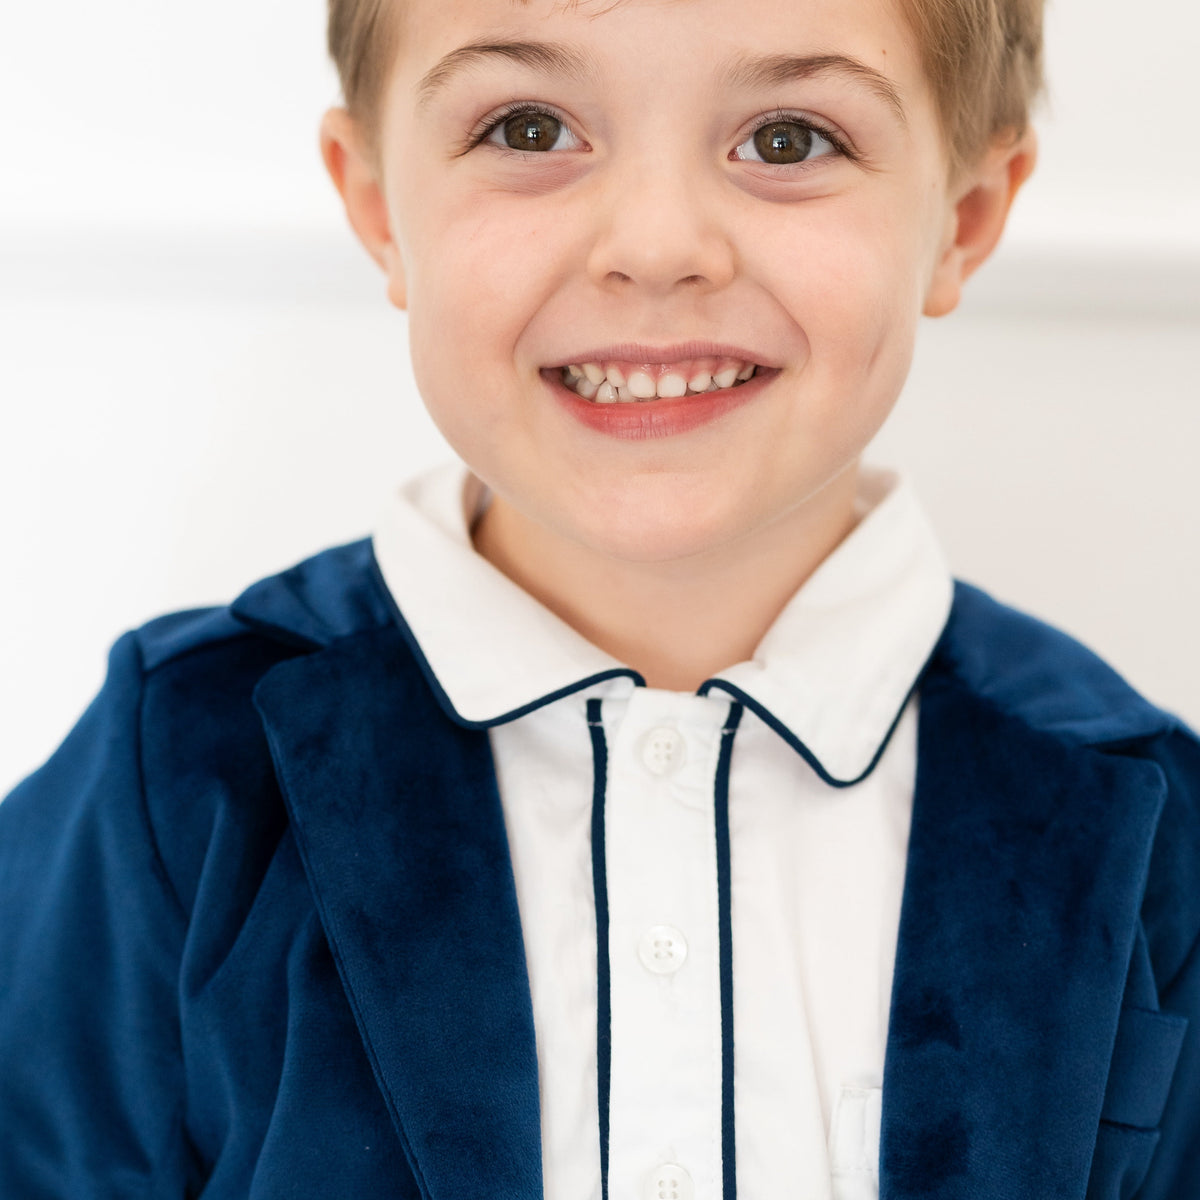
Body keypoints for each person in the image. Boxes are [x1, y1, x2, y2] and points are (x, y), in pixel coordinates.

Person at [1, 0, 1197, 1195]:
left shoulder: (1145, 829)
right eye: (528, 127)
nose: (658, 243)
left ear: (965, 220)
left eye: (786, 140)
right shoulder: (174, 776)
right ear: (375, 206)